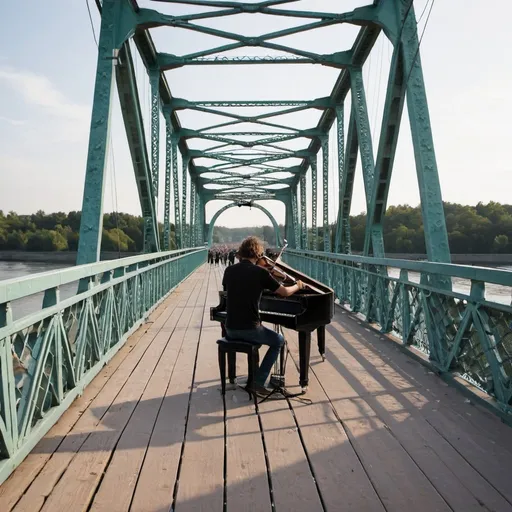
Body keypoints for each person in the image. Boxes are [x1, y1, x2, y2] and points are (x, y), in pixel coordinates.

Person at [222, 236, 304, 396]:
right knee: (279, 340)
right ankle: (258, 382)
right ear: (258, 254)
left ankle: (252, 378)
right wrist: (297, 285)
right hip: (249, 329)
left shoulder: (229, 270)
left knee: (264, 333)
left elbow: (233, 290)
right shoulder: (260, 273)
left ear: (241, 253)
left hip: (230, 328)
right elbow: (285, 292)